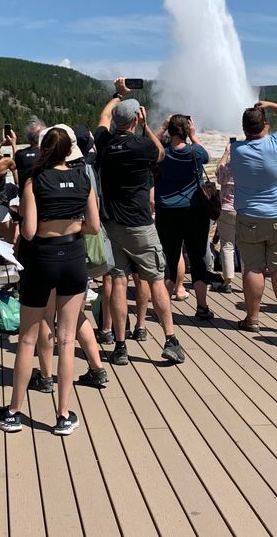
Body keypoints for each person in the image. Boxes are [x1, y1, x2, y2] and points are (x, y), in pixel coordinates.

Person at [0, 126, 103, 437]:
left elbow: (29, 232)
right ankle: (63, 415)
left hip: (42, 260)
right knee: (67, 340)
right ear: (69, 151)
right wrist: (70, 222)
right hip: (74, 258)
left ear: (42, 150)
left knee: (27, 339)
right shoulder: (83, 179)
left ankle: (14, 412)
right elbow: (93, 226)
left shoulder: (34, 181)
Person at [94, 80, 185, 366]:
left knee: (118, 282)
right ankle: (170, 339)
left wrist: (118, 95)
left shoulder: (105, 143)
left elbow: (103, 118)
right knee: (156, 278)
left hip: (112, 225)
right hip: (140, 224)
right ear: (136, 119)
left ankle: (120, 346)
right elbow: (160, 152)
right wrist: (146, 126)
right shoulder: (141, 145)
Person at [231, 98, 277, 333]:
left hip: (250, 217)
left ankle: (252, 319)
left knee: (252, 268)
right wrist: (270, 105)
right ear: (266, 126)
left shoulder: (237, 150)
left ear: (244, 129)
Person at [153, 114, 215, 319]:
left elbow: (150, 146)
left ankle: (164, 309)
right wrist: (194, 136)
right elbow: (207, 156)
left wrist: (162, 128)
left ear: (170, 131)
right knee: (198, 259)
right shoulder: (195, 152)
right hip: (194, 211)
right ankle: (202, 306)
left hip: (166, 213)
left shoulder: (161, 153)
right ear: (187, 130)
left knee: (170, 259)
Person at [211, 141, 238, 294]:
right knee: (248, 246)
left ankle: (227, 282)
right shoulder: (247, 168)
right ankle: (251, 279)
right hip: (244, 210)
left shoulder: (227, 168)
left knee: (227, 245)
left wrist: (226, 152)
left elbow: (217, 172)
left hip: (226, 210)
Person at [14, 117, 46, 191]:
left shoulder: (20, 155)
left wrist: (13, 143)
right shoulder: (47, 154)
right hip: (43, 196)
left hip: (24, 195)